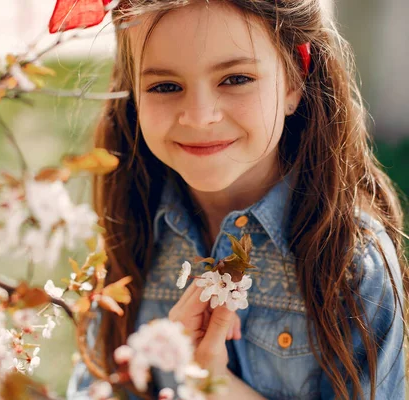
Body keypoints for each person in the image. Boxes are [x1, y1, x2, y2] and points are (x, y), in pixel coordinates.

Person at [67, 0, 407, 399]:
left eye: (235, 78)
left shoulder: (349, 264)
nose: (199, 116)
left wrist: (216, 388)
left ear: (294, 80)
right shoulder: (132, 227)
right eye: (165, 86)